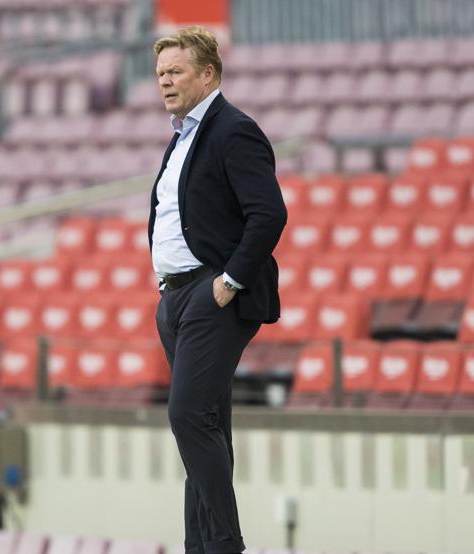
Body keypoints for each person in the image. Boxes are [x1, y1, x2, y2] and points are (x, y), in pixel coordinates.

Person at [148, 27, 287, 554]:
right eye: (161, 73)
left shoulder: (234, 130)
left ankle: (225, 545)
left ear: (208, 74)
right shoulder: (181, 135)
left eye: (176, 71)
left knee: (186, 415)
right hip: (176, 298)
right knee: (203, 428)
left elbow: (269, 212)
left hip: (212, 295)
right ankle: (198, 544)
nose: (165, 81)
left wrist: (228, 283)